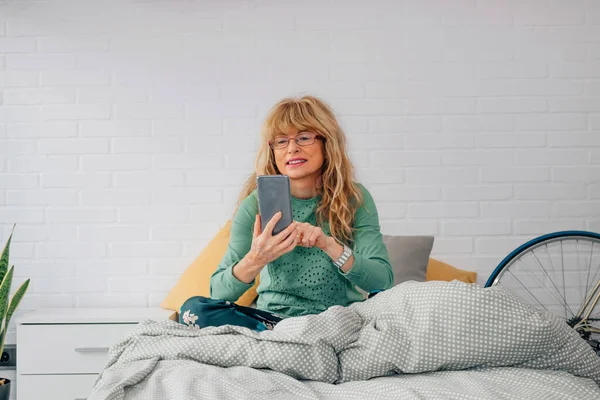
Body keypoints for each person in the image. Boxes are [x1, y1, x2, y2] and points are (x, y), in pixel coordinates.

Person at [179, 95, 393, 332]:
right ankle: (284, 339)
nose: (292, 148)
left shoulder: (354, 198)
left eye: (304, 137)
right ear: (272, 151)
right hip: (271, 320)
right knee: (192, 311)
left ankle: (285, 343)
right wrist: (257, 257)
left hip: (334, 319)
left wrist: (328, 244)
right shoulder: (254, 205)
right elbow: (219, 292)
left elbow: (382, 281)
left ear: (326, 143)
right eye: (281, 141)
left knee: (399, 308)